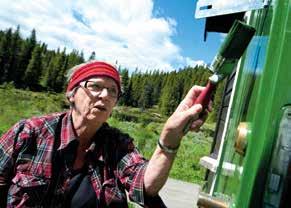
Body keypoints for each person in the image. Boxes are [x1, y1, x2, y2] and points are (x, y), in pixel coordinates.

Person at [0, 60, 206, 207]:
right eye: (96, 86)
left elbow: (145, 186)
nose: (106, 95)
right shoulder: (29, 133)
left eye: (113, 91)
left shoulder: (117, 144)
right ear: (71, 93)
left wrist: (170, 138)